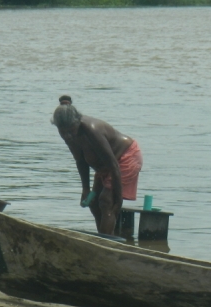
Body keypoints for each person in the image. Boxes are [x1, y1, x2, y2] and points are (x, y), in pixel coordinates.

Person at [51, 96, 143, 234]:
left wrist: (117, 200)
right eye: (63, 132)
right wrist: (85, 189)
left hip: (125, 157)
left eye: (71, 130)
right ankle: (103, 237)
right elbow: (80, 161)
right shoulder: (68, 134)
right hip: (104, 166)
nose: (68, 135)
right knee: (93, 203)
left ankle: (105, 243)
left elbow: (114, 165)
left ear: (77, 122)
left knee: (106, 201)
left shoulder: (92, 130)